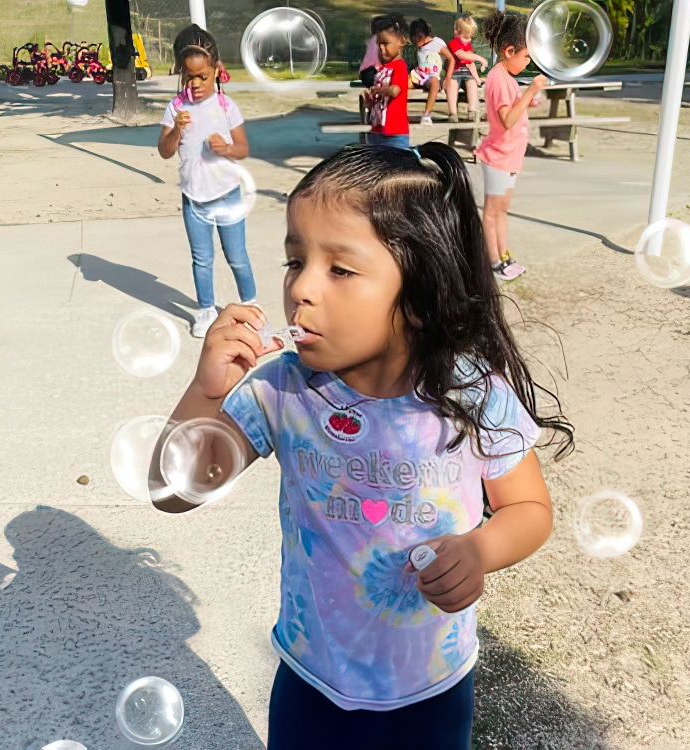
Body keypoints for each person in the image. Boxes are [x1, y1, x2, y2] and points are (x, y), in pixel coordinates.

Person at [149, 142, 573, 750]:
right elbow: (173, 491)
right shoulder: (282, 390)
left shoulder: (471, 392)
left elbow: (528, 510)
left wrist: (480, 550)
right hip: (310, 683)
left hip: (430, 689)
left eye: (339, 269)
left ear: (421, 293)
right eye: (296, 262)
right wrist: (204, 392)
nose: (302, 290)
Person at [158, 25, 258, 337]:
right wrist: (176, 130)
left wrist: (226, 148)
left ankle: (252, 308)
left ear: (216, 71)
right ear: (181, 75)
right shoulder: (176, 108)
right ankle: (205, 311)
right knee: (202, 259)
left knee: (237, 257)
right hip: (193, 197)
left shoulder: (227, 106)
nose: (197, 83)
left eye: (203, 76)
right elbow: (164, 151)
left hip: (227, 194)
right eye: (190, 77)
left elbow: (243, 148)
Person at [476, 12, 547, 282]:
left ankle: (504, 255)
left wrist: (528, 98)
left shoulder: (506, 75)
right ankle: (492, 261)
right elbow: (506, 120)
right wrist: (529, 92)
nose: (528, 61)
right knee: (492, 212)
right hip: (498, 157)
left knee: (501, 210)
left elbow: (512, 107)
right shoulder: (497, 78)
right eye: (527, 56)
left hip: (509, 158)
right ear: (509, 51)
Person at [367, 15, 410, 149]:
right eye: (379, 44)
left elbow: (395, 90)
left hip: (395, 133)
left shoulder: (400, 66)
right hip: (377, 131)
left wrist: (378, 90)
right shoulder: (381, 69)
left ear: (400, 43)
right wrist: (370, 99)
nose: (381, 47)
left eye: (386, 43)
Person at [409, 19, 456, 126]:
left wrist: (447, 79)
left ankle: (426, 114)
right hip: (419, 75)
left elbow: (451, 59)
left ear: (420, 34)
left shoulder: (436, 43)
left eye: (415, 37)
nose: (414, 41)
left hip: (431, 77)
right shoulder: (419, 47)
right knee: (401, 81)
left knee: (434, 82)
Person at [444, 13, 488, 123]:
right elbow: (461, 55)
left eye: (470, 37)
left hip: (466, 73)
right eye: (466, 37)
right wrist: (480, 58)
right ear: (457, 32)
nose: (468, 40)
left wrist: (477, 79)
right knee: (452, 88)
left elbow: (470, 63)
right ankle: (452, 113)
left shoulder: (467, 45)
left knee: (472, 85)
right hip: (454, 73)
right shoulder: (454, 43)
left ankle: (472, 111)